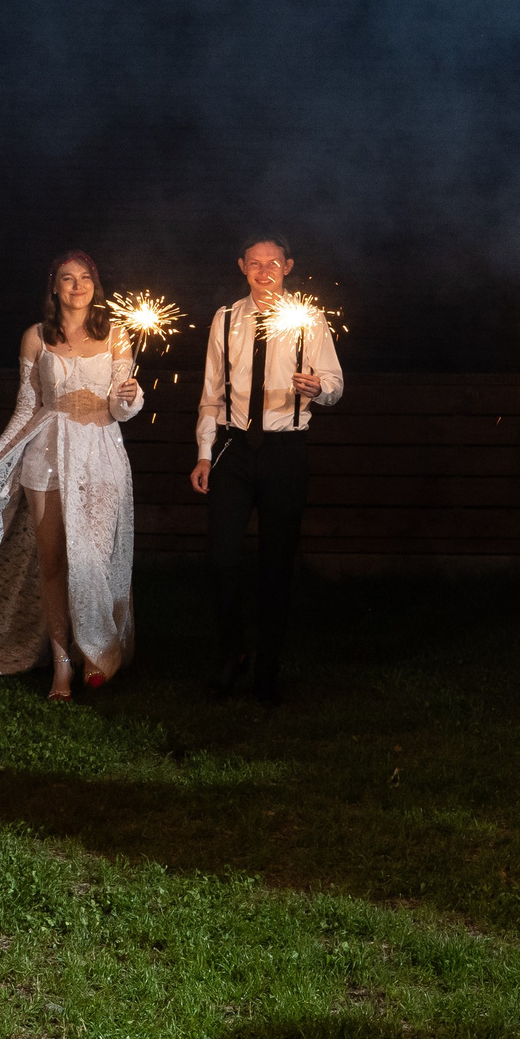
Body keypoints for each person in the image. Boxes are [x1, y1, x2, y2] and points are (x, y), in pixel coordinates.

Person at [0, 252, 143, 695]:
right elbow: (27, 408)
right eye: (67, 279)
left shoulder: (116, 334)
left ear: (95, 284)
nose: (77, 286)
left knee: (93, 557)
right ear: (54, 287)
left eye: (85, 277)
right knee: (53, 562)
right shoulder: (36, 337)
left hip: (100, 455)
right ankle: (62, 664)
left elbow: (123, 409)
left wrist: (129, 396)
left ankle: (97, 649)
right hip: (46, 457)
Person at [191, 238, 344, 704]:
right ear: (242, 267)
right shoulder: (224, 320)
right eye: (254, 263)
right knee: (221, 559)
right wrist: (203, 452)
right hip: (234, 450)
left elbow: (336, 385)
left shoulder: (309, 320)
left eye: (272, 262)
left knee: (277, 564)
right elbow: (211, 394)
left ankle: (267, 668)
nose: (264, 270)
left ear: (288, 267)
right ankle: (232, 653)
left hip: (285, 449)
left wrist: (319, 387)